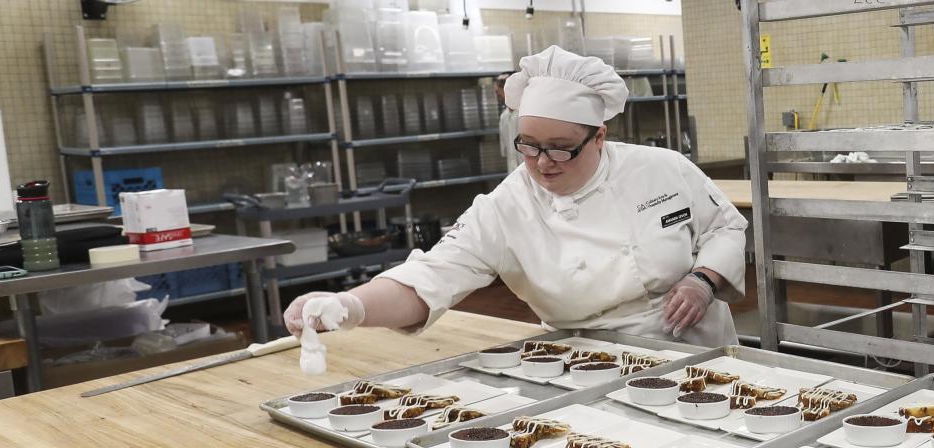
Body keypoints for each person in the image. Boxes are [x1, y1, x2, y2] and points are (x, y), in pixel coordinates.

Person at [283, 45, 749, 347]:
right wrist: (352, 305)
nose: (542, 162)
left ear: (599, 137)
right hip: (585, 358)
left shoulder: (661, 168)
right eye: (528, 147)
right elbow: (431, 274)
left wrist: (703, 280)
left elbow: (725, 226)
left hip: (696, 350)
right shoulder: (507, 207)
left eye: (562, 150)